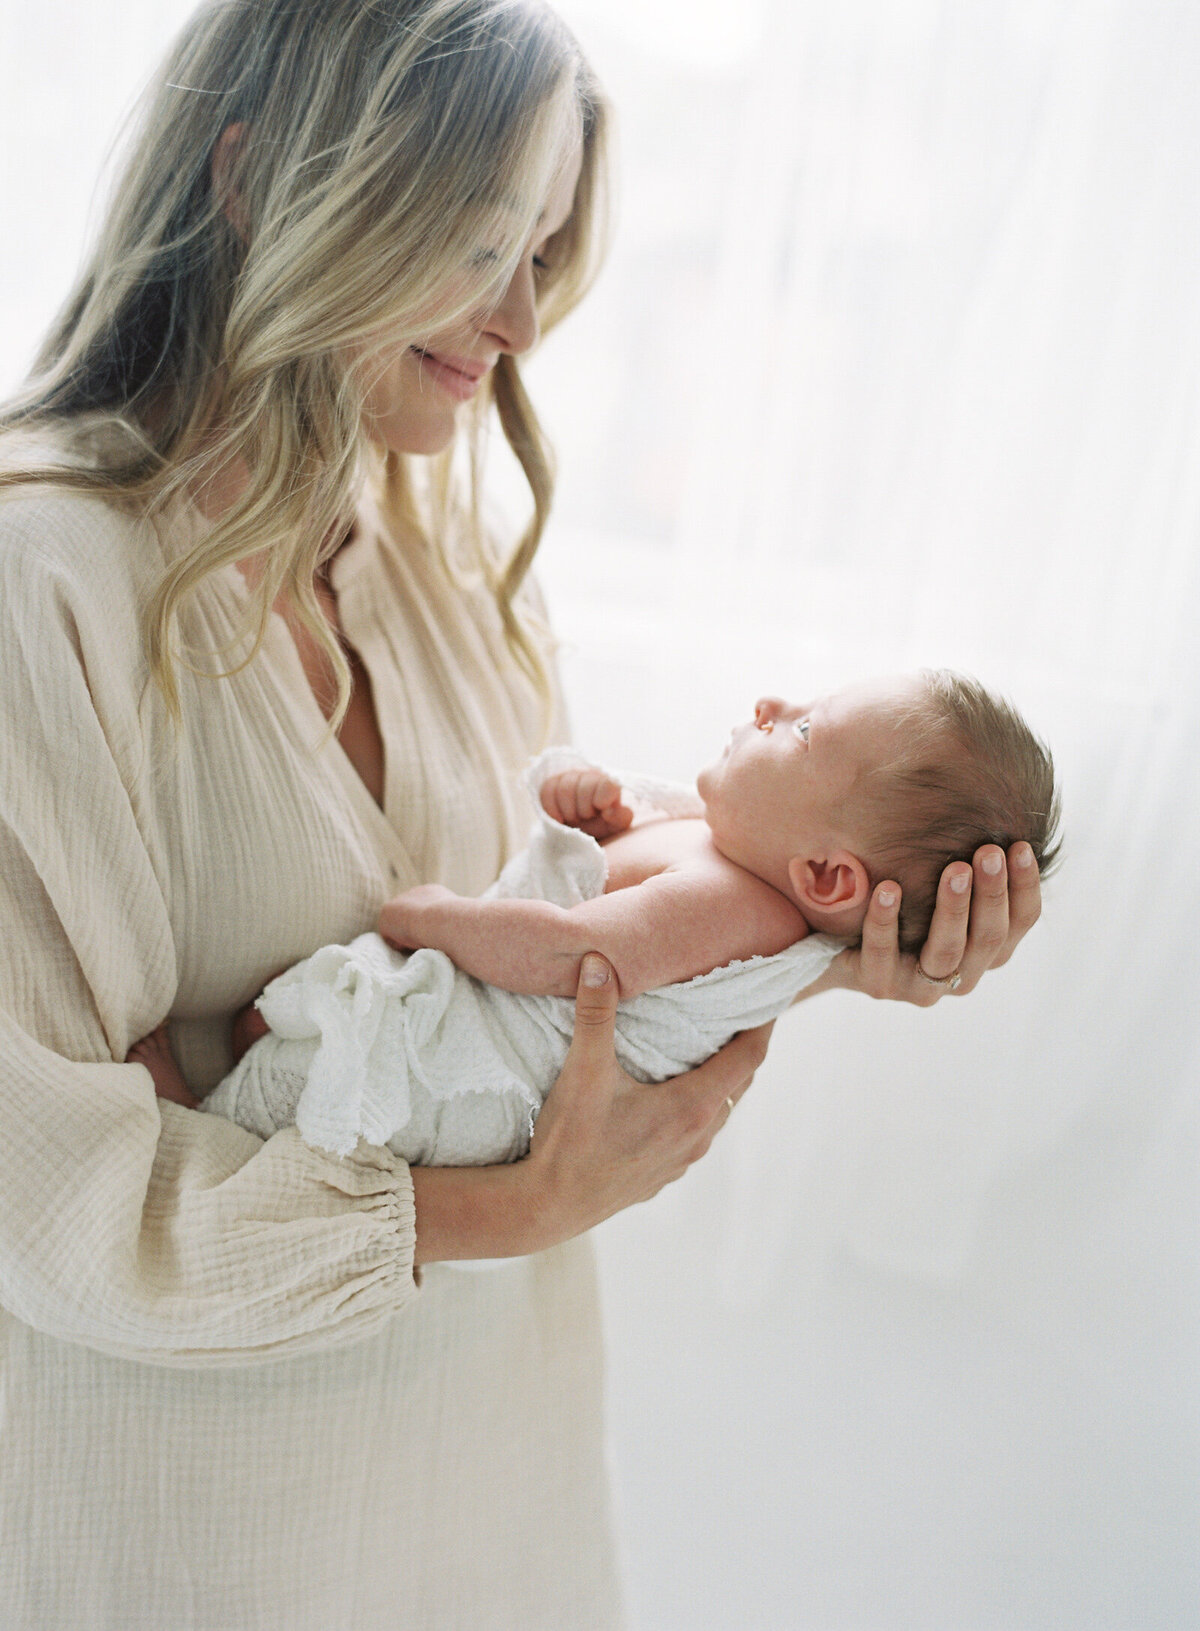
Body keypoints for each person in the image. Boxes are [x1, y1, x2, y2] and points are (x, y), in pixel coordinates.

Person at [0, 3, 1043, 1627]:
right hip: (188, 1524)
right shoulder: (42, 592)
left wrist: (834, 950)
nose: (520, 322)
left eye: (544, 255)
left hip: (486, 1485)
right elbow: (51, 1195)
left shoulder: (452, 572)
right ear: (251, 182)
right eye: (479, 246)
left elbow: (530, 1010)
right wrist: (511, 1208)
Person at [131, 668, 1060, 1168]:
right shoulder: (732, 860)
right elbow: (606, 889)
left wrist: (439, 917)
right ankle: (243, 1078)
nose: (773, 703)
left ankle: (194, 1124)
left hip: (475, 1070)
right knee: (300, 1031)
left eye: (804, 731)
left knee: (311, 1089)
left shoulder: (731, 902)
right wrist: (597, 827)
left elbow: (573, 956)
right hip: (484, 1018)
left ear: (823, 872)